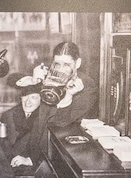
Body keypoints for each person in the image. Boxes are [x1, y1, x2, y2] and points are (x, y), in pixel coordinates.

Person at [22, 40, 99, 168]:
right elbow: (39, 117)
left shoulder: (87, 86)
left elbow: (60, 124)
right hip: (38, 155)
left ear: (77, 63)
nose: (61, 69)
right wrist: (34, 81)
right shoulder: (50, 79)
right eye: (57, 64)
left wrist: (68, 96)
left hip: (63, 158)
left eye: (67, 64)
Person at [0, 77, 42, 169]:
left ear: (41, 100)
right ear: (21, 97)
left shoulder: (46, 119)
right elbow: (1, 147)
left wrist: (30, 160)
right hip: (11, 167)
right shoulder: (8, 115)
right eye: (25, 96)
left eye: (34, 97)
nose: (28, 102)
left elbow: (51, 152)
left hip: (35, 168)